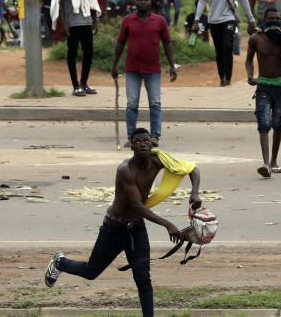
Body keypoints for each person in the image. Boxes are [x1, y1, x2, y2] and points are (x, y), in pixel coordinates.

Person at [44, 129, 201, 317]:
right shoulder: (125, 170)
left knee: (143, 278)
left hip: (136, 227)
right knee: (91, 272)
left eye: (146, 141)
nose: (142, 144)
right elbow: (136, 205)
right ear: (131, 145)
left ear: (151, 144)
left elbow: (192, 168)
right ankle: (60, 262)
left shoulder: (158, 161)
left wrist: (195, 192)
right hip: (114, 227)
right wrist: (168, 224)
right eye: (138, 141)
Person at [112, 0, 176, 147]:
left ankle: (154, 136)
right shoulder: (128, 21)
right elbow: (120, 43)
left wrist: (172, 65)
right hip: (132, 68)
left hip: (153, 68)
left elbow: (167, 44)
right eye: (140, 0)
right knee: (132, 104)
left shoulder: (159, 21)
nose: (143, 2)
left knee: (155, 103)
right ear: (135, 3)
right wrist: (114, 65)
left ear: (151, 2)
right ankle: (131, 136)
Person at [246, 8, 281, 177]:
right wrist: (249, 75)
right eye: (272, 18)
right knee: (263, 122)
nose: (275, 21)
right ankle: (266, 163)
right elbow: (248, 60)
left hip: (280, 87)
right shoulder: (256, 39)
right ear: (265, 19)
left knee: (278, 123)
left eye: (278, 18)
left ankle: (274, 161)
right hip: (263, 86)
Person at [194, 0, 256, 87]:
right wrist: (197, 19)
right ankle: (221, 76)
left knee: (227, 47)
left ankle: (228, 79)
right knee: (219, 50)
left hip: (229, 18)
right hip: (213, 20)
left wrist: (251, 18)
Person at [51, 0, 101, 96]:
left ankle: (84, 83)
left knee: (89, 52)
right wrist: (64, 22)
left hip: (85, 20)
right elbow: (59, 2)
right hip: (71, 22)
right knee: (72, 53)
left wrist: (95, 20)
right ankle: (75, 85)